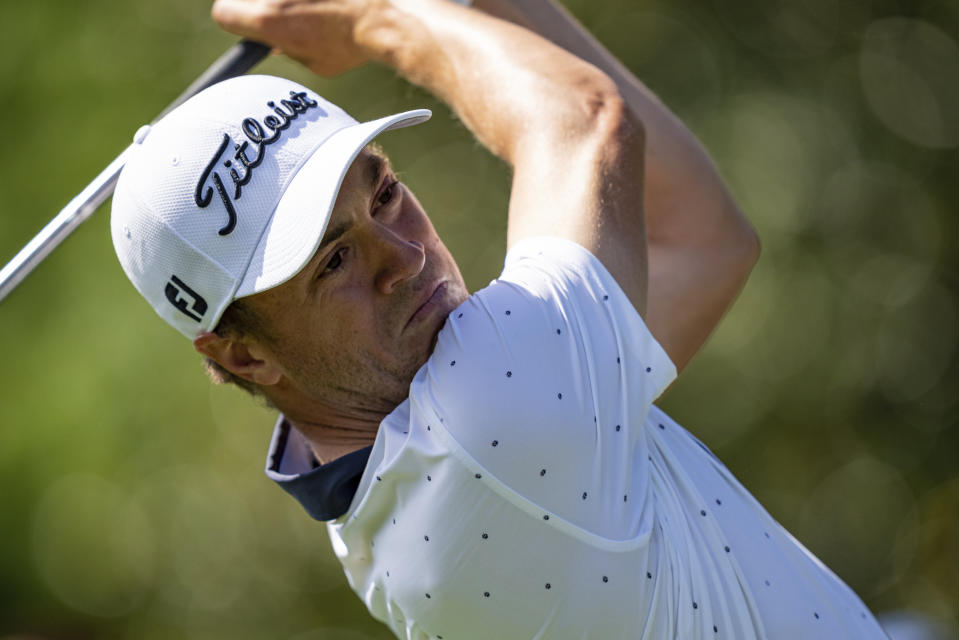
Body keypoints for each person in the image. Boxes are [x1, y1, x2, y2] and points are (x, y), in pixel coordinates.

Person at [109, 0, 890, 637]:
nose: (403, 256)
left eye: (383, 195)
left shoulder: (402, 485)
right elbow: (586, 119)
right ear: (243, 357)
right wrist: (377, 20)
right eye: (332, 263)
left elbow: (697, 242)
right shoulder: (482, 434)